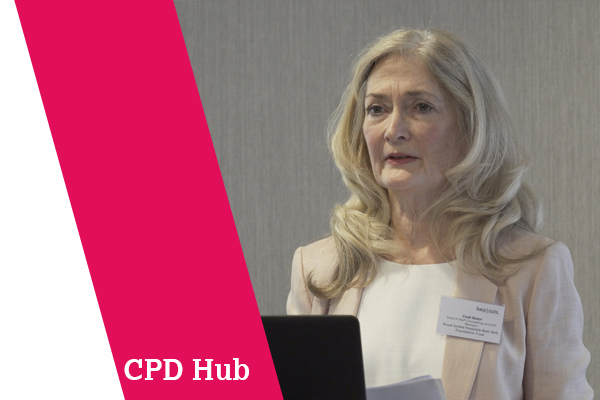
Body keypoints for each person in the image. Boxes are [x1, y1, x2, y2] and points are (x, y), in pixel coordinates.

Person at [286, 28, 593, 399]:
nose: (394, 130)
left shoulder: (532, 269)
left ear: (469, 127)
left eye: (421, 107)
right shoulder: (320, 270)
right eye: (377, 109)